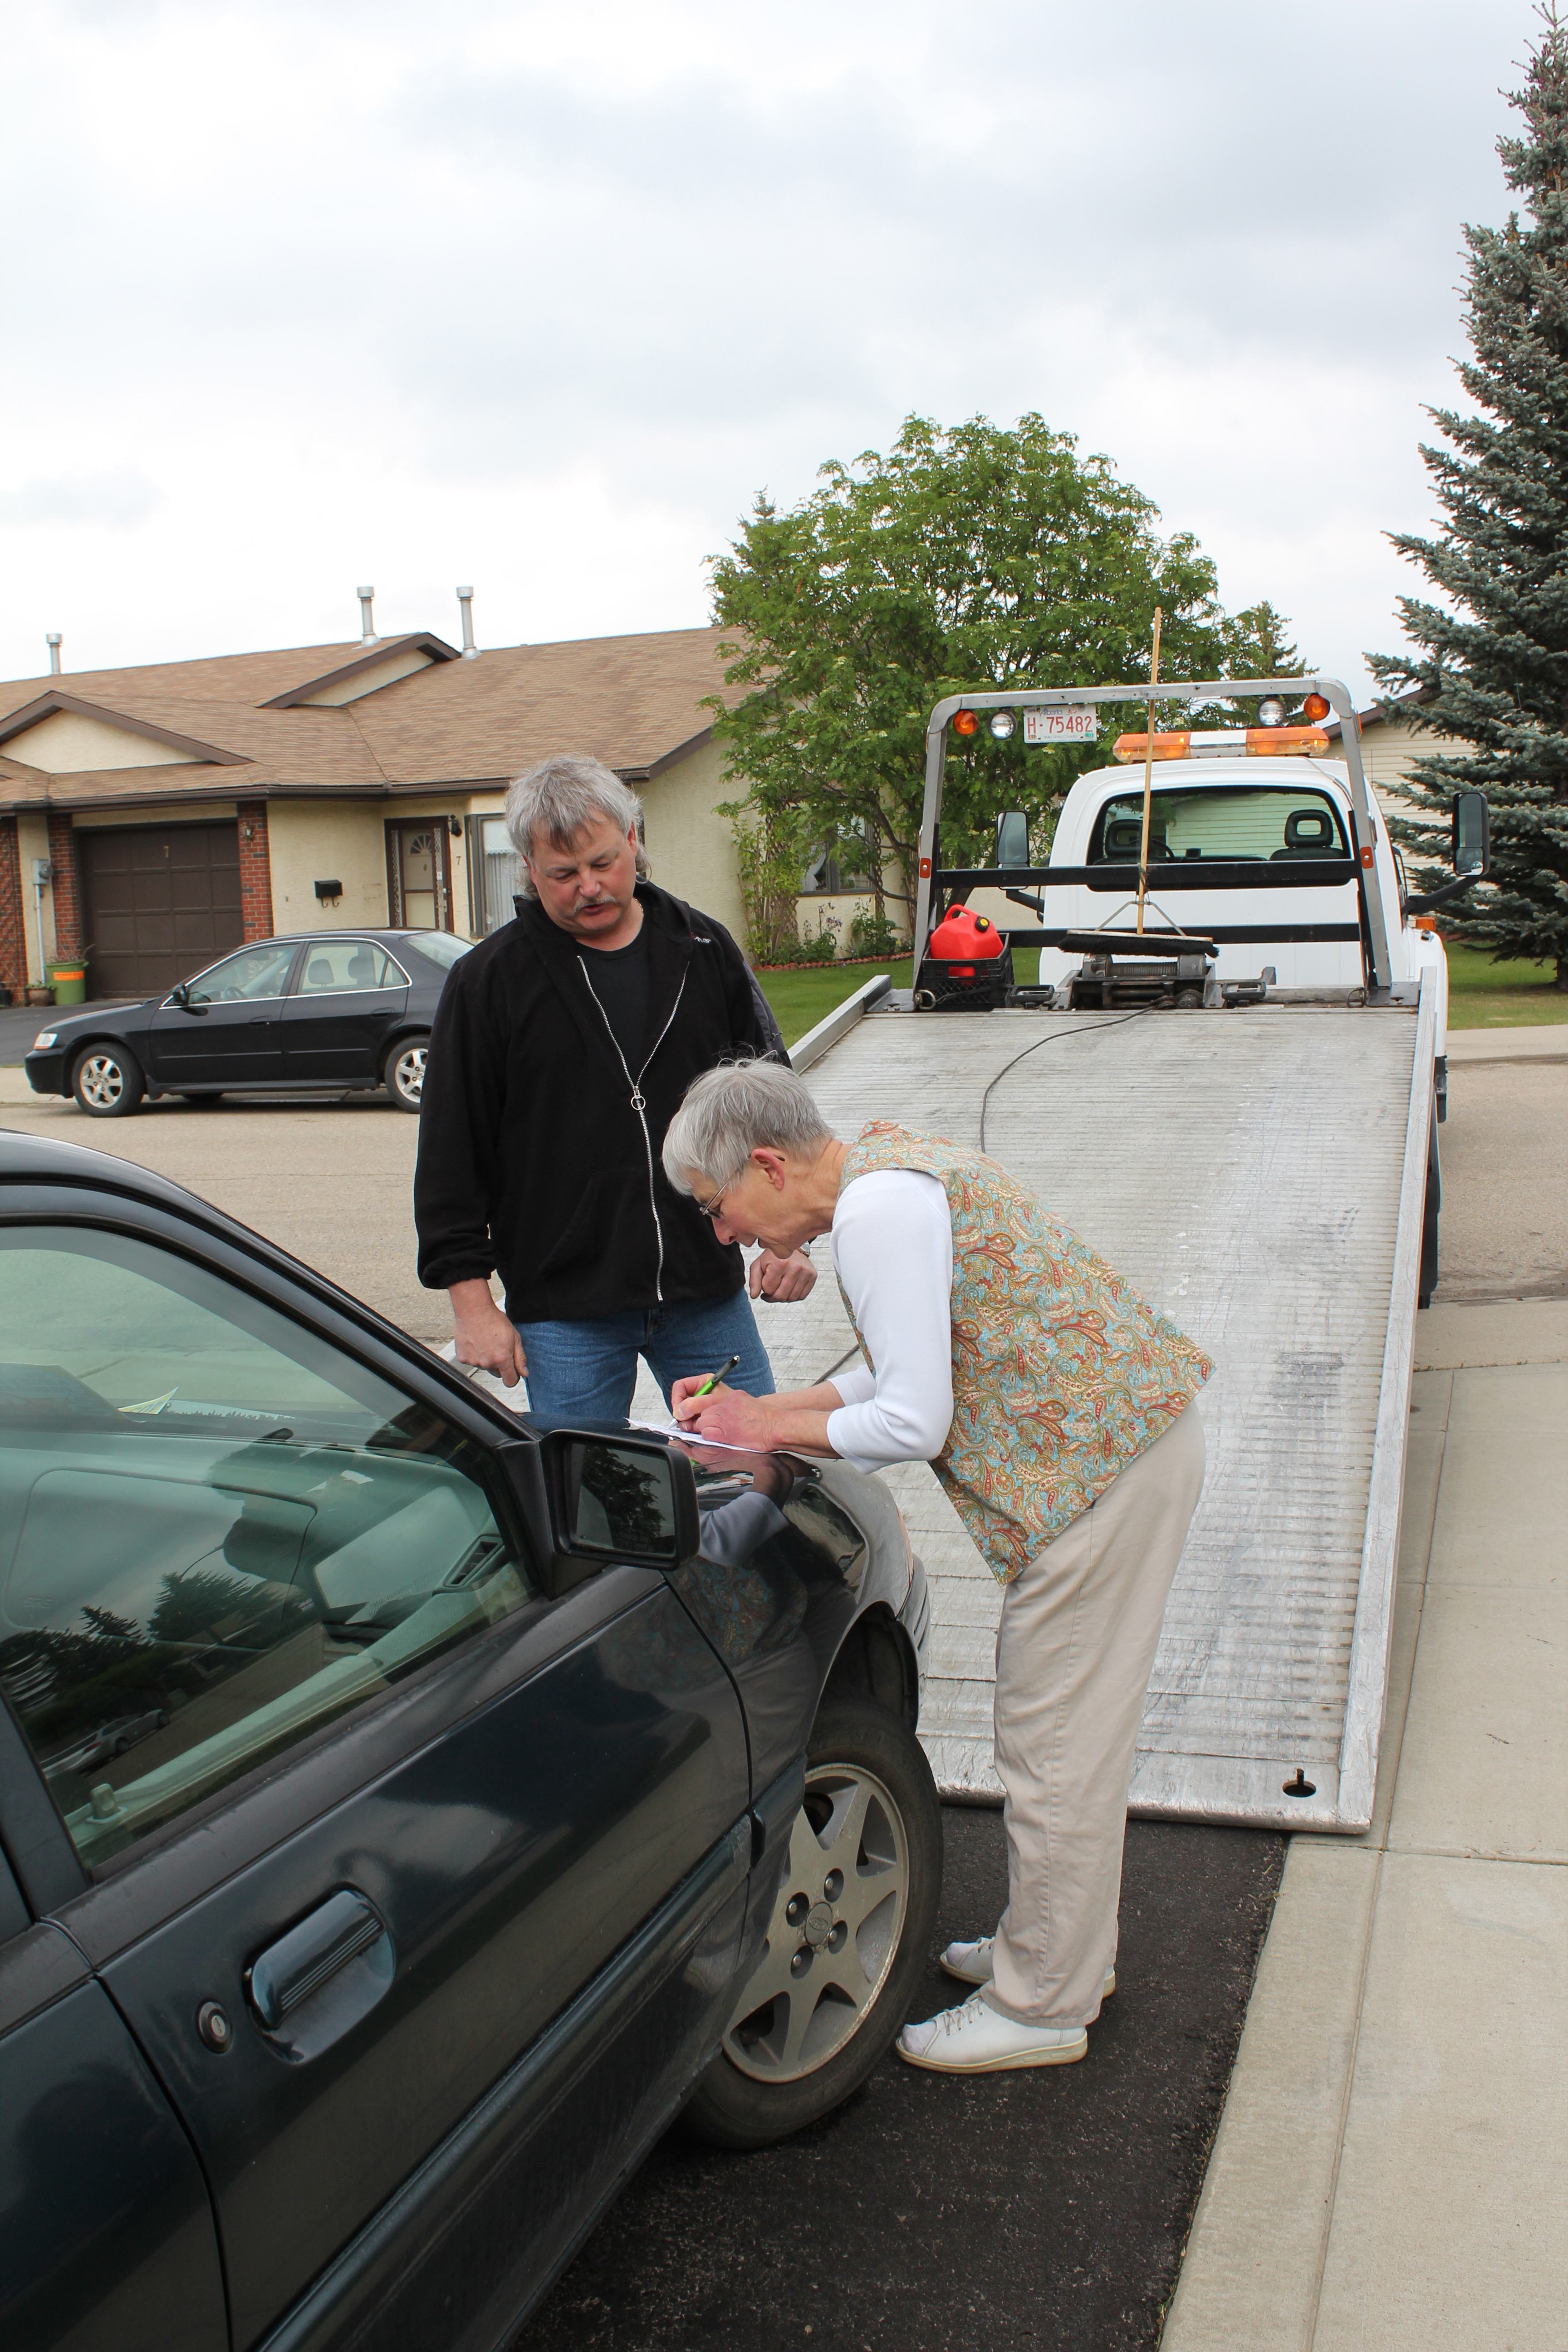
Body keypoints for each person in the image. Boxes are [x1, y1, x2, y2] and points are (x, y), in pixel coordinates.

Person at [660, 1057, 1211, 2076]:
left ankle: (1042, 2002)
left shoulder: (875, 1215)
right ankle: (1059, 1958)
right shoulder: (889, 1176)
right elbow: (898, 1374)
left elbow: (914, 1418)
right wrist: (762, 1419)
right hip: (1125, 1453)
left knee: (1053, 1742)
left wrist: (763, 1423)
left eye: (717, 1206)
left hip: (1103, 1476)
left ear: (767, 1165)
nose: (723, 1234)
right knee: (1063, 1735)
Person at [413, 755, 814, 1420]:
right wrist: (472, 1304)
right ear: (529, 868)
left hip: (704, 1294)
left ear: (634, 838)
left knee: (754, 1477)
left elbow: (778, 1111)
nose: (588, 887)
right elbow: (452, 1155)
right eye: (563, 874)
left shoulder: (704, 950)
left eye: (603, 863)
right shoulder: (489, 982)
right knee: (579, 1505)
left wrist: (792, 1237)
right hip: (563, 1311)